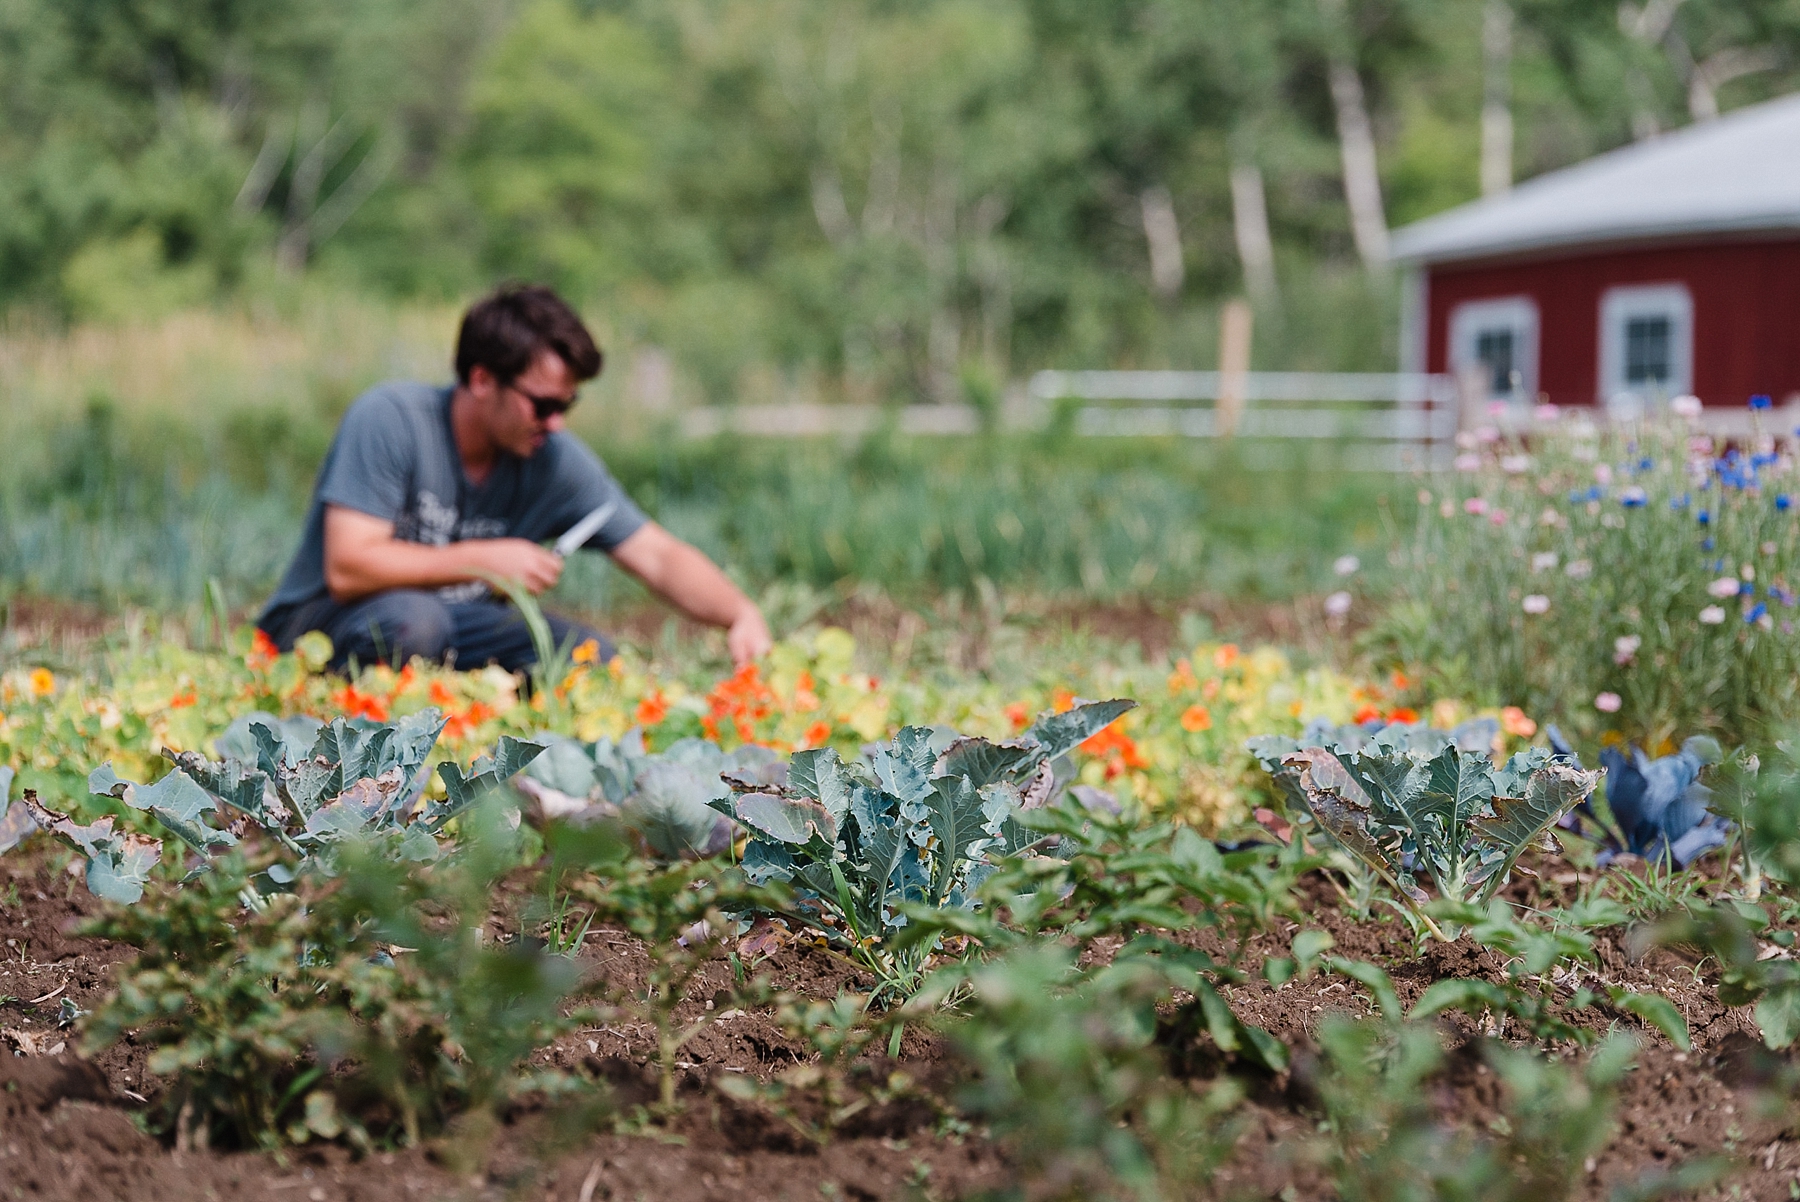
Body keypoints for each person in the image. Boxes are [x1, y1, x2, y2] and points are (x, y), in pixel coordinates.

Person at [256, 283, 772, 672]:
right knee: (415, 622)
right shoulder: (391, 419)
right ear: (482, 379)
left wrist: (739, 613)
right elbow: (349, 566)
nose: (557, 423)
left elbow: (657, 555)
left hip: (449, 627)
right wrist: (484, 561)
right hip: (321, 625)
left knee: (589, 660)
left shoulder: (551, 457)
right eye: (543, 404)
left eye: (567, 404)